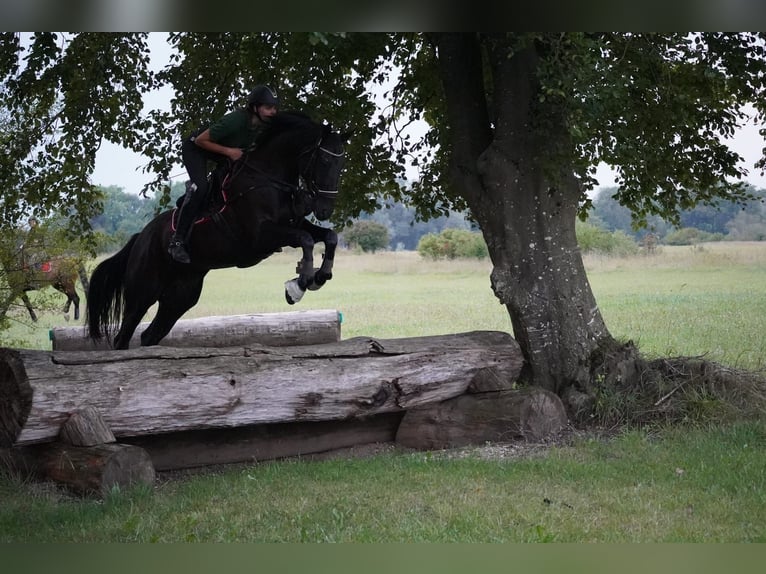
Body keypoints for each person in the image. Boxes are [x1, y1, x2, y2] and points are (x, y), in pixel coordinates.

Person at [168, 85, 280, 264]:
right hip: (196, 148)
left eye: (274, 108)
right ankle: (177, 241)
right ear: (254, 108)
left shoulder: (262, 127)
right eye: (268, 108)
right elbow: (200, 140)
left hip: (221, 151)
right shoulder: (235, 120)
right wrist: (229, 152)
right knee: (201, 188)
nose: (273, 112)